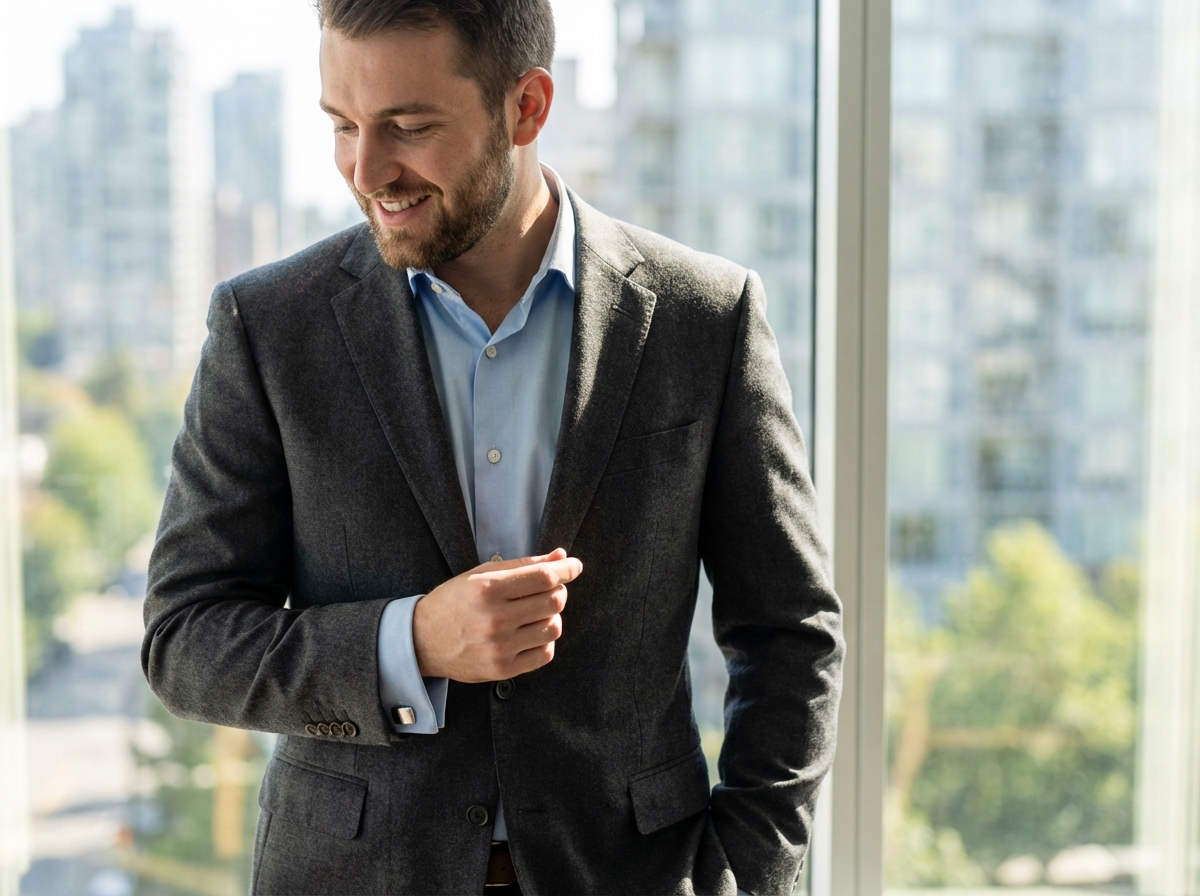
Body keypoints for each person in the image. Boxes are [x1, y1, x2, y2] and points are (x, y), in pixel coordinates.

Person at [142, 1, 844, 893]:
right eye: (343, 125)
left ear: (526, 106)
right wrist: (410, 643)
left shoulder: (703, 317)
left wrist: (746, 873)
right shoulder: (268, 326)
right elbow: (185, 640)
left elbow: (791, 634)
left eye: (409, 127)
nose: (366, 170)